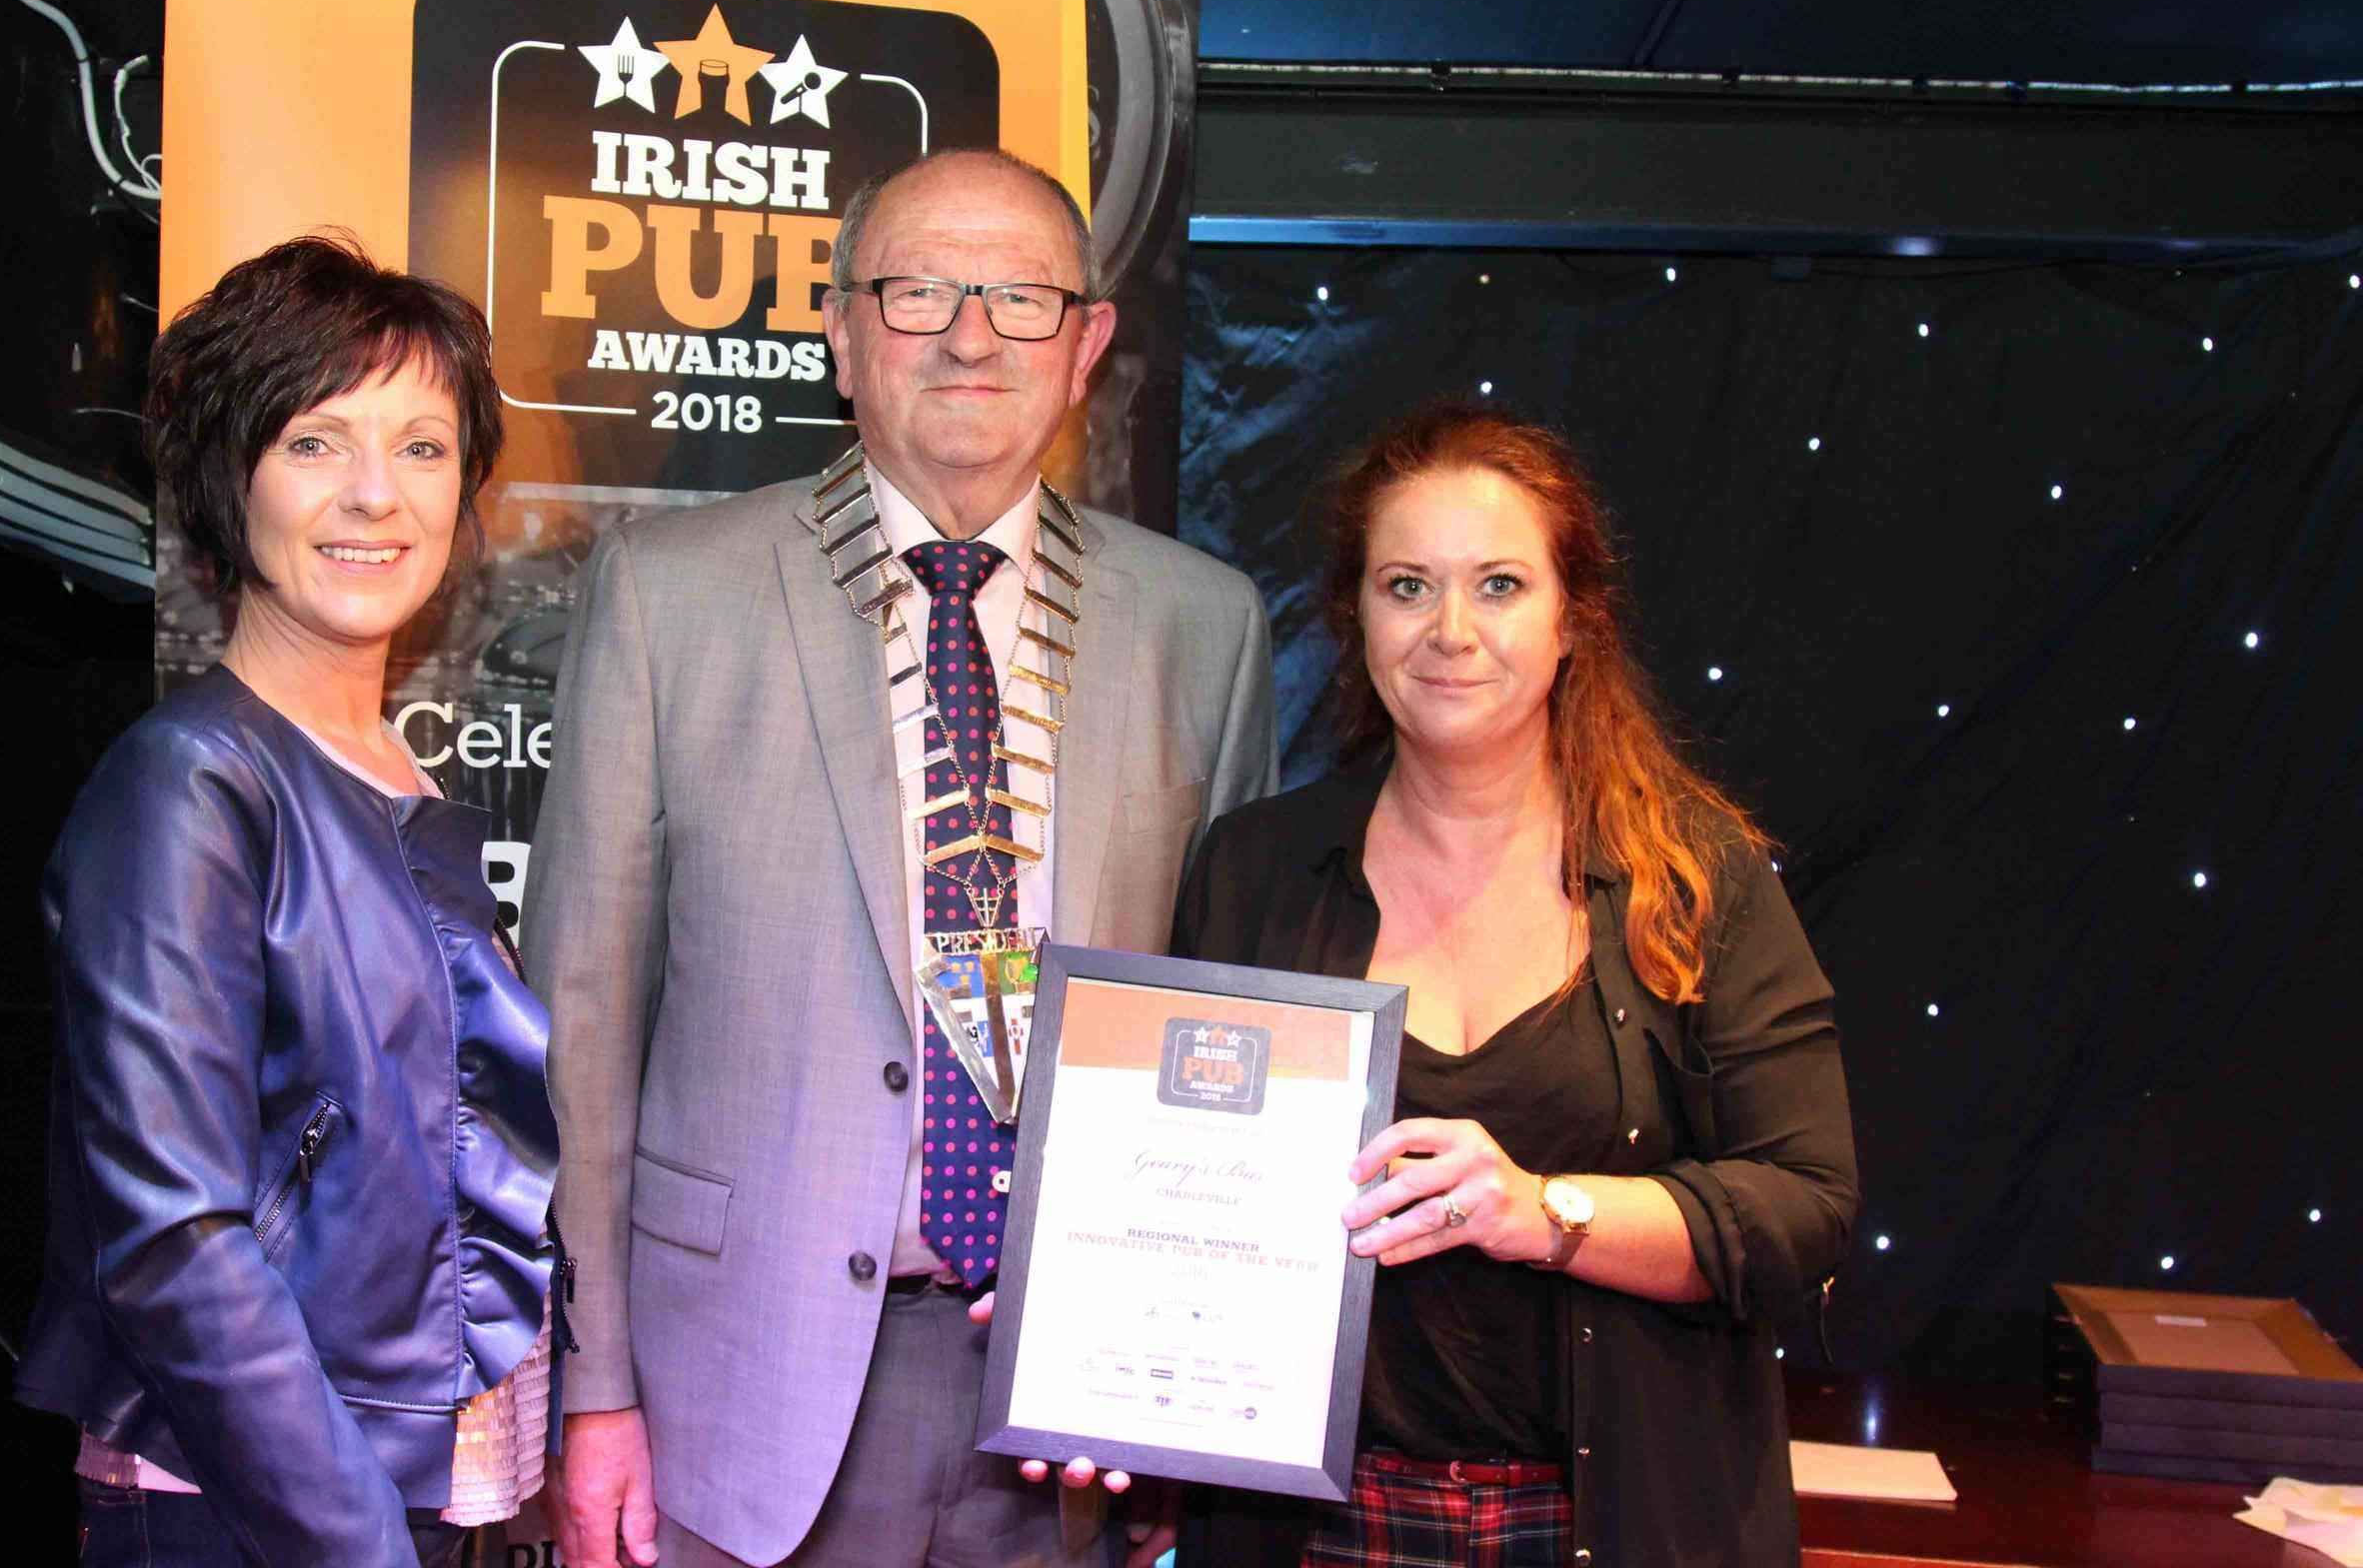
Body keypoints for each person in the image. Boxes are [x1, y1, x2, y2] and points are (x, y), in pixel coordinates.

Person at [530, 147, 1278, 1568]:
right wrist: (597, 1389)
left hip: (1071, 1409)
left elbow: (1220, 1032)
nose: (971, 333)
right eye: (921, 288)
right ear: (840, 324)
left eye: (1020, 296)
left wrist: (1188, 1385)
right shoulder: (667, 596)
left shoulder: (1205, 627)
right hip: (734, 1393)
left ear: (1089, 344)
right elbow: (583, 1021)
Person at [1174, 401, 1857, 1568]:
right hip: (1314, 1531)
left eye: (1498, 585)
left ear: (1573, 617)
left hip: (1617, 1525)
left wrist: (1541, 1212)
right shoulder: (1254, 867)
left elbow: (1806, 1207)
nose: (1450, 630)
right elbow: (1181, 1192)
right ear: (1354, 617)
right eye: (1405, 586)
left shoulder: (1693, 877)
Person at [15, 237, 561, 1567]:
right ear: (227, 480)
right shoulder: (193, 783)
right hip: (250, 1506)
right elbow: (171, 1237)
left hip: (411, 1484)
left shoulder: (392, 771)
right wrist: (354, 1537)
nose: (377, 495)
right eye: (317, 443)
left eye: (423, 448)